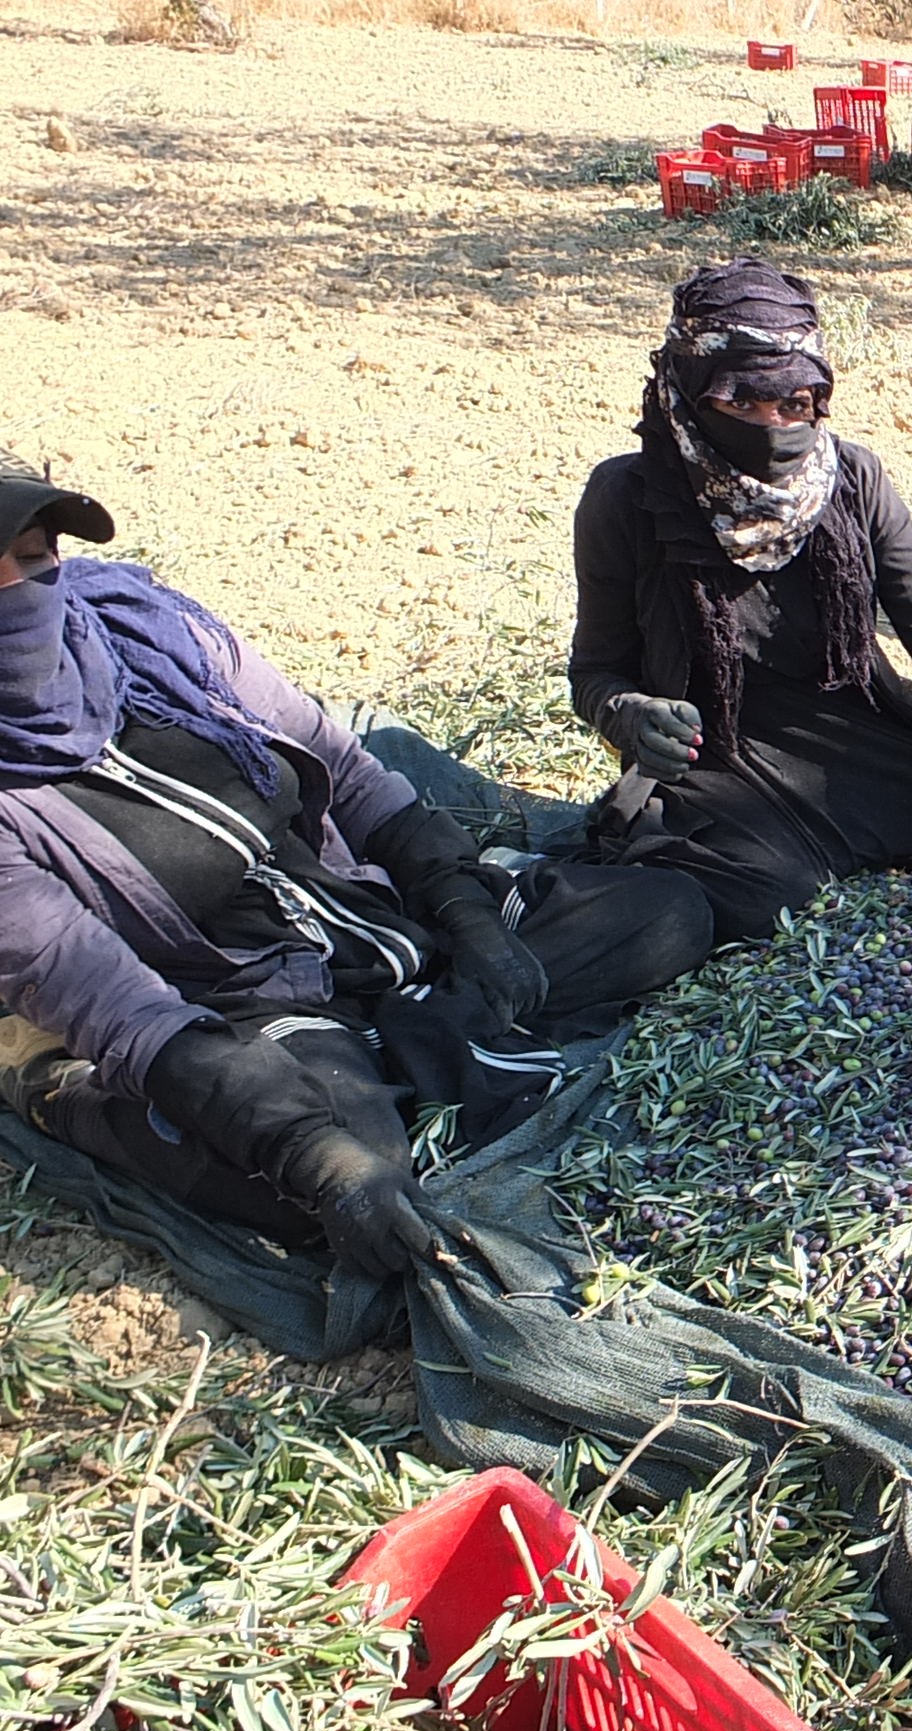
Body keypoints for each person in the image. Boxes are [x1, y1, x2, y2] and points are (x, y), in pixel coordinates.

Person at [0, 447, 714, 1276]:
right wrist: (320, 1158)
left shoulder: (143, 631)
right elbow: (129, 1009)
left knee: (668, 916)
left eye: (36, 556)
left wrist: (463, 910)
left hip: (368, 919)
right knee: (326, 1194)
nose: (26, 590)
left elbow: (341, 765)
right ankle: (64, 1090)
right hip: (243, 998)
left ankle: (414, 1034)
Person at [568, 258, 912, 943]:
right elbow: (594, 672)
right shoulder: (627, 498)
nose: (772, 424)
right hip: (720, 758)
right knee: (770, 903)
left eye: (793, 404)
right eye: (742, 401)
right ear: (687, 393)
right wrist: (627, 714)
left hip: (852, 739)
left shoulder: (854, 481)